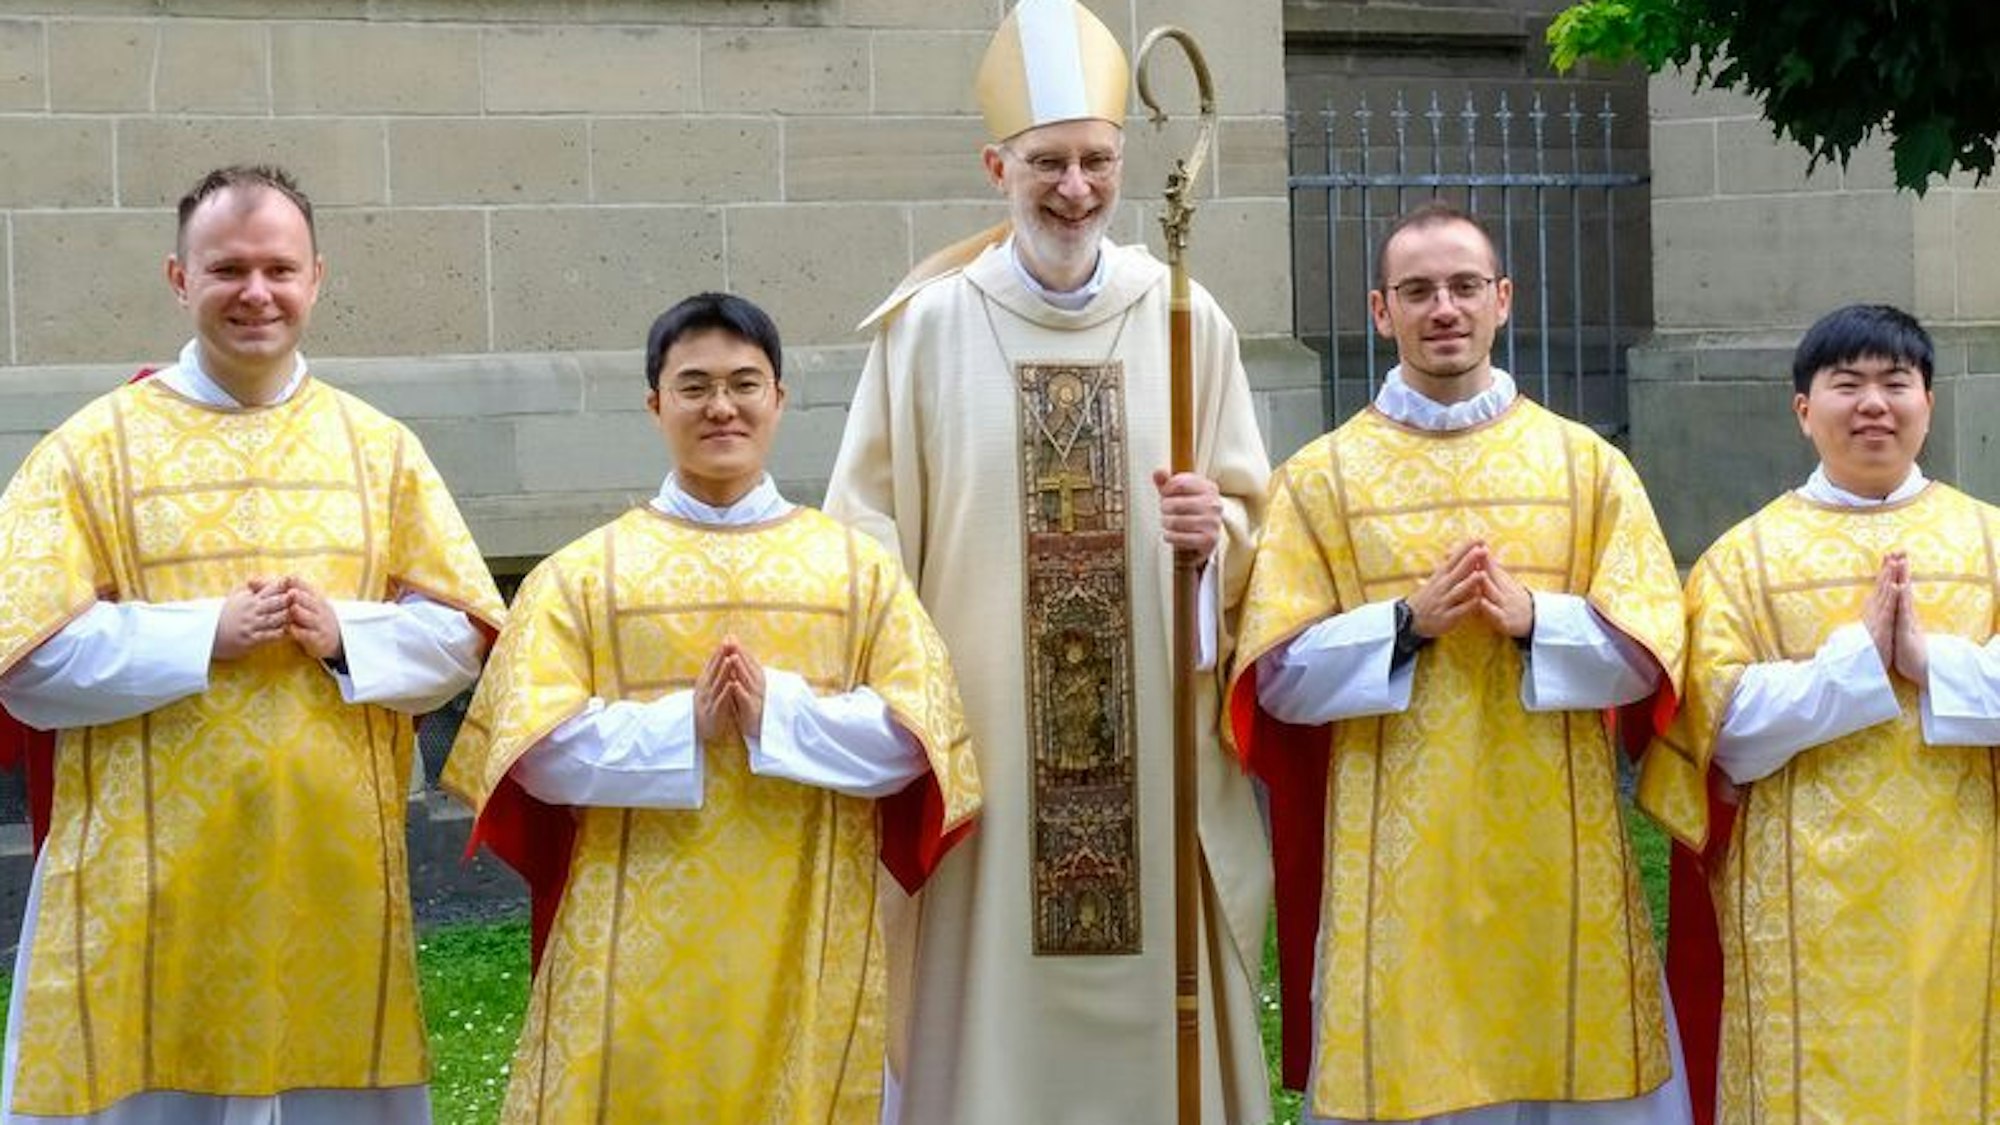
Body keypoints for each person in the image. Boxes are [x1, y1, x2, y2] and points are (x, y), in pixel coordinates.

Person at [823, 1, 1274, 1121]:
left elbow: (1253, 519)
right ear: (996, 166)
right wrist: (908, 711)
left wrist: (1206, 542)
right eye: (1046, 163)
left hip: (1154, 756)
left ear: (1122, 164)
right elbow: (862, 538)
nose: (1073, 188)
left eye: (1095, 162)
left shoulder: (1185, 317)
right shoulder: (925, 330)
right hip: (991, 757)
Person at [0, 164, 505, 1124]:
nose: (256, 292)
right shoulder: (89, 450)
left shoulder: (378, 448)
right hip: (144, 887)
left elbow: (464, 637)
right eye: (227, 268)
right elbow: (25, 664)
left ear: (318, 277)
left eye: (279, 267)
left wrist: (349, 635)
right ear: (179, 278)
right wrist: (205, 634)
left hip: (331, 876)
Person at [441, 292, 981, 1123]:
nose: (721, 406)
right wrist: (679, 727)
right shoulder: (584, 576)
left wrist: (782, 717)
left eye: (744, 383)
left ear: (780, 399)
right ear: (656, 403)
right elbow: (533, 753)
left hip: (809, 925)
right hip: (630, 937)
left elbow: (919, 743)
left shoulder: (856, 571)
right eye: (694, 386)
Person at [1224, 201, 1692, 1124]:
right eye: (1418, 290)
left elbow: (1652, 651)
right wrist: (1404, 624)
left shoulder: (1584, 465)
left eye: (1465, 286)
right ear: (1379, 309)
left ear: (1503, 299)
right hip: (1397, 851)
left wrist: (1533, 622)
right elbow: (1273, 675)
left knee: (1574, 1055)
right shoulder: (1321, 479)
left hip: (1560, 849)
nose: (1444, 307)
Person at [1638, 304, 2000, 1124]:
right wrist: (1854, 667)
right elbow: (1717, 728)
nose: (1874, 402)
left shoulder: (1989, 542)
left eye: (1895, 382)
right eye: (1848, 384)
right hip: (1797, 896)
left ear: (1929, 403)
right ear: (1805, 410)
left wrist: (1931, 663)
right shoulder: (1743, 557)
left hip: (1966, 880)